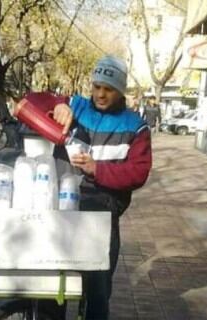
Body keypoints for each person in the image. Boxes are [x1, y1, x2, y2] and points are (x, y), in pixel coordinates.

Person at [52, 55, 152, 319]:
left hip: (102, 211)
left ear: (120, 91)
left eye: (108, 89)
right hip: (61, 206)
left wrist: (98, 169)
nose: (101, 94)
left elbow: (138, 172)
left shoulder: (136, 127)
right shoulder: (76, 106)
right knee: (52, 281)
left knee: (97, 285)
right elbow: (35, 101)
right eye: (97, 86)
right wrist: (59, 107)